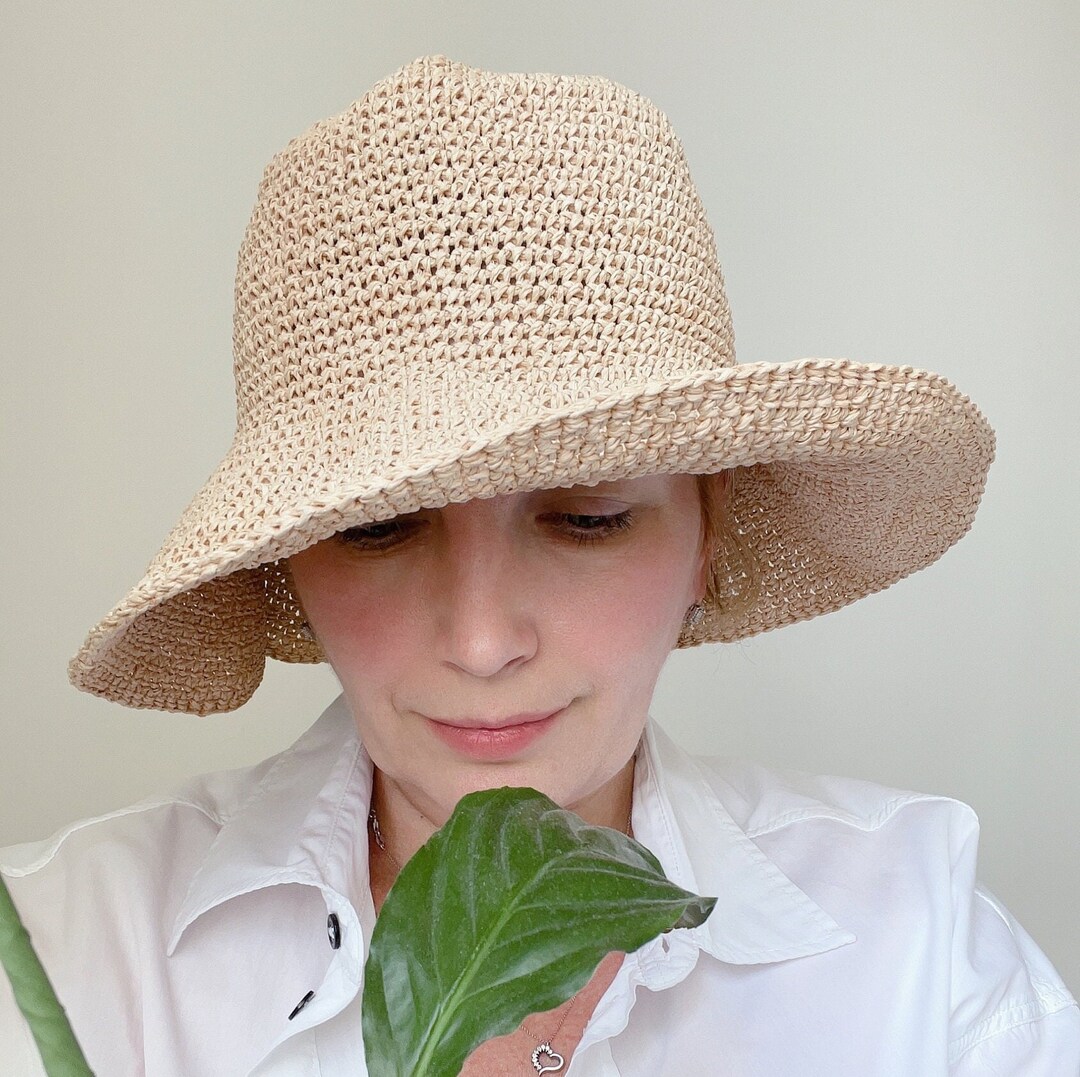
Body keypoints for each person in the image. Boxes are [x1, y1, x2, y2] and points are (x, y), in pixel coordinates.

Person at [1, 54, 1077, 1076]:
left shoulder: (916, 952)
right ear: (287, 566)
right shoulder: (70, 954)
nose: (481, 642)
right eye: (378, 530)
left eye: (586, 520)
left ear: (707, 539)